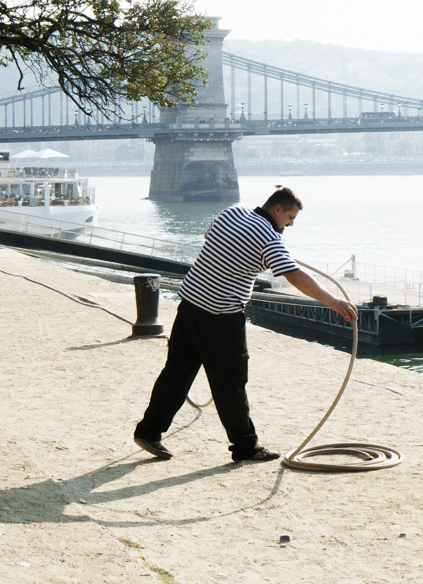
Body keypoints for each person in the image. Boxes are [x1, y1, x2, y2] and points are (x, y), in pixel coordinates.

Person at [132, 186, 355, 464]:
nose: (291, 224)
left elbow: (208, 237)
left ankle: (148, 432)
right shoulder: (270, 239)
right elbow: (295, 276)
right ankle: (245, 446)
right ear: (277, 209)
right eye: (290, 217)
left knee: (175, 373)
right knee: (231, 383)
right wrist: (334, 302)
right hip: (221, 316)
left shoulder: (232, 212)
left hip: (190, 304)